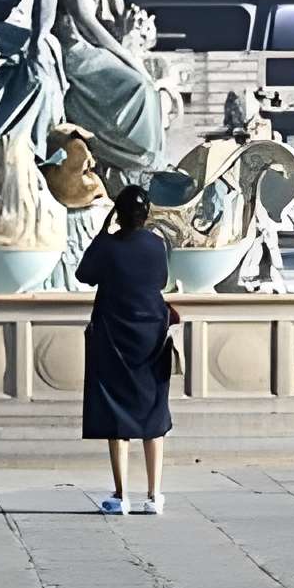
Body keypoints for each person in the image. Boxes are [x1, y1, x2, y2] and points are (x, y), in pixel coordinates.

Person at [76, 185, 176, 514]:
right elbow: (160, 281)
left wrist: (103, 233)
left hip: (113, 336)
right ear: (146, 214)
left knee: (117, 413)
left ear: (117, 214)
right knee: (153, 412)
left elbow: (83, 274)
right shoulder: (157, 245)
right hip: (150, 336)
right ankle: (154, 496)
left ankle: (121, 496)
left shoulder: (108, 245)